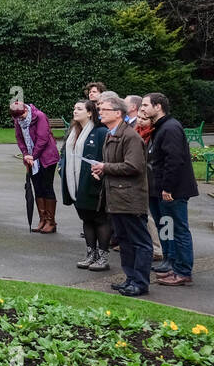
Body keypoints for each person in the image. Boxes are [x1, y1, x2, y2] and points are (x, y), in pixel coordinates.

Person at [91, 93, 150, 296]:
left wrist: (105, 167)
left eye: (104, 110)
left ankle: (140, 282)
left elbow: (134, 166)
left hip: (130, 199)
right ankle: (130, 278)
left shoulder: (130, 136)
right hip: (117, 197)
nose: (100, 112)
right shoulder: (111, 133)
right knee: (124, 240)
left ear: (117, 113)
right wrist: (102, 170)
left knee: (138, 241)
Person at [141, 92, 196, 287]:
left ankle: (183, 271)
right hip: (162, 188)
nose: (143, 108)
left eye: (146, 105)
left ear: (158, 107)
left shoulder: (170, 128)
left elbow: (174, 160)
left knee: (179, 229)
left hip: (174, 190)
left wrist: (167, 188)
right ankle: (173, 264)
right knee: (167, 227)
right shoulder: (161, 127)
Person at [60, 99, 110, 271]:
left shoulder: (101, 131)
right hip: (75, 184)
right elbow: (65, 152)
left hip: (94, 183)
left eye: (79, 108)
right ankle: (91, 254)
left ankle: (103, 257)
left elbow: (107, 156)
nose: (75, 111)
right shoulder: (73, 130)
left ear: (90, 112)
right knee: (86, 220)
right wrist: (61, 167)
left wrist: (101, 173)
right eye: (74, 108)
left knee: (100, 220)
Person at [11, 99, 61, 233]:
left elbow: (43, 138)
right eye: (17, 118)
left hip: (46, 157)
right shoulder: (18, 119)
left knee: (46, 187)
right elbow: (19, 138)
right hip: (31, 158)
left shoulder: (39, 116)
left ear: (26, 110)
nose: (19, 120)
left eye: (21, 116)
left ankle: (51, 221)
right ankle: (42, 219)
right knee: (37, 187)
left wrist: (33, 155)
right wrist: (26, 154)